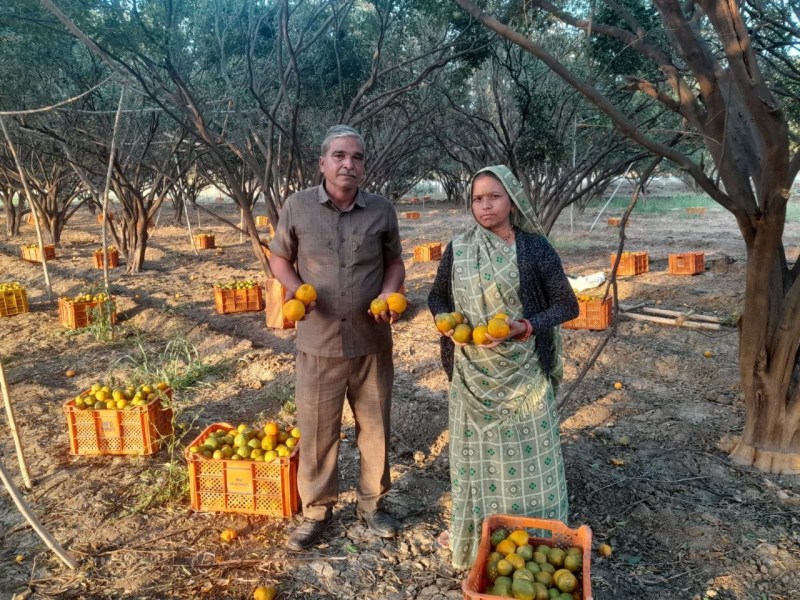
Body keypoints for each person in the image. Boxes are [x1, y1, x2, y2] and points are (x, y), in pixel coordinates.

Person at [427, 165, 579, 569]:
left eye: (493, 196)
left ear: (511, 199)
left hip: (524, 376)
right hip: (472, 375)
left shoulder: (535, 248)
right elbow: (437, 299)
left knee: (528, 462)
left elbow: (567, 305)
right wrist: (449, 328)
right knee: (476, 461)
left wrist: (527, 326)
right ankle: (478, 537)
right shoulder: (458, 249)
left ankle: (537, 540)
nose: (485, 205)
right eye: (477, 198)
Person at [269, 125, 405, 551]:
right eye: (340, 155)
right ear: (323, 163)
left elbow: (394, 262)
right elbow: (279, 257)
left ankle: (372, 505)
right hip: (318, 341)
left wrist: (389, 292)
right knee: (317, 431)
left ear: (364, 164)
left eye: (357, 157)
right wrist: (293, 288)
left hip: (371, 340)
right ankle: (316, 511)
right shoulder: (297, 206)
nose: (349, 163)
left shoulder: (381, 210)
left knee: (375, 429)